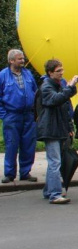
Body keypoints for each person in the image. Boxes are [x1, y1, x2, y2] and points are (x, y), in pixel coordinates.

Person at [36, 59, 78, 204]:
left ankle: (48, 191)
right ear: (50, 72)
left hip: (57, 127)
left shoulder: (57, 84)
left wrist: (69, 128)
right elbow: (55, 100)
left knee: (54, 162)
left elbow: (65, 104)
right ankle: (55, 194)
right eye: (58, 71)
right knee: (55, 162)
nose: (62, 73)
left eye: (62, 70)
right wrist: (70, 86)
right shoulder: (47, 86)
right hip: (50, 128)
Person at [0, 49, 38, 183]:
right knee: (11, 144)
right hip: (12, 115)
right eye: (19, 59)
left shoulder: (28, 74)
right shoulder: (3, 75)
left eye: (22, 58)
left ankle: (25, 172)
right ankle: (9, 174)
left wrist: (36, 112)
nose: (22, 61)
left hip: (28, 115)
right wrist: (4, 115)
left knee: (28, 144)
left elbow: (35, 91)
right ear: (11, 61)